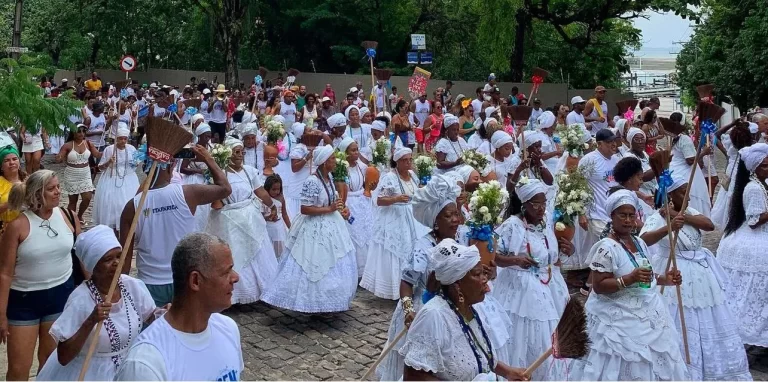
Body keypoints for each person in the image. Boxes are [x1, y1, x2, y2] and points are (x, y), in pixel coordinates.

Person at [639, 176, 752, 380]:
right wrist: (668, 226)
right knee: (677, 315)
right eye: (683, 192)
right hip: (673, 268)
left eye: (688, 192)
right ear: (670, 195)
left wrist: (679, 215)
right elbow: (644, 239)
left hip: (700, 274)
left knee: (707, 314)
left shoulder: (689, 212)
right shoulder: (658, 217)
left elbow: (708, 225)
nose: (688, 197)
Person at [569, 189, 688, 381]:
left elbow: (645, 273)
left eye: (631, 216)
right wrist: (629, 279)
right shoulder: (606, 248)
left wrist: (665, 279)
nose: (627, 220)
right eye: (622, 215)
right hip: (616, 319)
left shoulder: (639, 242)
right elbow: (598, 286)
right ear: (612, 216)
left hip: (648, 311)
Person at [36, 225, 161, 381]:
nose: (116, 263)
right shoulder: (81, 299)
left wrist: (164, 313)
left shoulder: (132, 286)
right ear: (93, 265)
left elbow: (151, 315)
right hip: (90, 373)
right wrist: (91, 320)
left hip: (128, 370)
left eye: (119, 256)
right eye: (108, 259)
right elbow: (63, 356)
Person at [115, 233, 244, 380]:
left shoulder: (228, 329)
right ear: (195, 281)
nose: (236, 277)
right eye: (226, 272)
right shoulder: (146, 364)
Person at [399, 239, 528, 381]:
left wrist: (508, 372)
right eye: (477, 274)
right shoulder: (433, 316)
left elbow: (481, 356)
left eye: (484, 273)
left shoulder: (471, 310)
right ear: (457, 285)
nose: (485, 279)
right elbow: (413, 377)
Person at [119, 145, 231, 307]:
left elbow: (124, 261)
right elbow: (225, 188)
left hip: (149, 283)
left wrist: (119, 294)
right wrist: (208, 159)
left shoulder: (132, 206)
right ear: (170, 166)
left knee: (152, 324)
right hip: (184, 280)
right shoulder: (188, 193)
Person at [376, 175, 461, 380]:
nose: (455, 220)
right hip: (423, 311)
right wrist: (408, 310)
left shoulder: (461, 240)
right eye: (449, 216)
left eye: (456, 214)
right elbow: (407, 282)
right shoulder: (423, 247)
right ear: (436, 222)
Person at [0, 170, 81, 380]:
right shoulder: (17, 226)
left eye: (58, 187)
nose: (58, 192)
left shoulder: (68, 216)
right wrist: (1, 314)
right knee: (19, 368)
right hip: (23, 301)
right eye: (51, 188)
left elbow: (82, 255)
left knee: (50, 363)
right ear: (37, 194)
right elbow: (5, 273)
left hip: (60, 297)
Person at [261, 145, 357, 312]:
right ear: (324, 162)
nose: (335, 162)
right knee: (312, 262)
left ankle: (330, 299)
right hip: (313, 226)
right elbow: (305, 209)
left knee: (334, 261)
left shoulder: (329, 178)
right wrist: (329, 209)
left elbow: (332, 200)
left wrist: (342, 209)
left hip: (332, 224)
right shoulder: (312, 181)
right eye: (332, 159)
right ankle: (312, 301)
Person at [494, 178, 571, 380]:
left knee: (553, 331)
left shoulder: (545, 224)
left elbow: (551, 256)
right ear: (524, 204)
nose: (541, 208)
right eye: (536, 204)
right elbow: (494, 256)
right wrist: (516, 260)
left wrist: (566, 251)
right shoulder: (512, 225)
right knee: (530, 334)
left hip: (550, 285)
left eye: (544, 203)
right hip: (521, 289)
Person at [718, 143, 768, 348]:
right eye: (764, 165)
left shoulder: (762, 184)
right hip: (755, 239)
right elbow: (754, 221)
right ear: (754, 167)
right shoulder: (753, 188)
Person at [361, 147, 423, 299]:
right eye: (404, 160)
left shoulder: (413, 175)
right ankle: (395, 287)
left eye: (410, 159)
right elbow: (380, 200)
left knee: (412, 248)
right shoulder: (390, 177)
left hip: (412, 217)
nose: (408, 163)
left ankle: (413, 284)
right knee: (397, 250)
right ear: (397, 162)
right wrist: (396, 199)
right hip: (395, 218)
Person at [338, 138, 374, 277]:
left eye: (357, 150)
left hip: (363, 203)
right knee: (353, 234)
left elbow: (368, 184)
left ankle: (368, 269)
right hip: (349, 203)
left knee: (366, 232)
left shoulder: (362, 167)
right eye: (353, 150)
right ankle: (354, 270)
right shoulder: (341, 169)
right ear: (345, 153)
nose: (356, 153)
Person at [92, 127, 139, 235]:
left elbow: (135, 163)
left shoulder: (131, 149)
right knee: (112, 205)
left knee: (126, 203)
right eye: (120, 138)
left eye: (125, 139)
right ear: (116, 138)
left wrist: (136, 162)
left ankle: (126, 228)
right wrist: (109, 162)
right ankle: (113, 231)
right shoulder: (109, 149)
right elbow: (100, 167)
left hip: (128, 179)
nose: (123, 141)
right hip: (111, 179)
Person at [711, 122, 754, 231]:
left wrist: (731, 124)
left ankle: (730, 219)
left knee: (729, 194)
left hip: (731, 168)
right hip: (742, 168)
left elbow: (716, 135)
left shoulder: (730, 141)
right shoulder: (751, 145)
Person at [57, 124, 102, 225]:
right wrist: (59, 157)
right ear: (73, 132)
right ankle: (71, 219)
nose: (81, 133)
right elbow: (59, 158)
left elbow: (97, 154)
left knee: (87, 198)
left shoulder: (88, 143)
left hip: (85, 174)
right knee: (73, 201)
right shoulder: (68, 145)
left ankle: (80, 215)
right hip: (71, 174)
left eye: (83, 131)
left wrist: (110, 150)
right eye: (79, 131)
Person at [669, 117, 712, 217]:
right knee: (690, 196)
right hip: (686, 174)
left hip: (674, 171)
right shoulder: (684, 138)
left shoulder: (670, 137)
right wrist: (704, 152)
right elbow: (690, 160)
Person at [181, 123, 215, 232]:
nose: (208, 139)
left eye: (209, 136)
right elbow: (182, 169)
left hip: (207, 182)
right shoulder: (190, 149)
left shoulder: (212, 149)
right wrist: (199, 171)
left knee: (206, 209)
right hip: (193, 181)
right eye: (206, 136)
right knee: (196, 209)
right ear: (199, 136)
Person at [285, 123, 314, 219]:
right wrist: (306, 158)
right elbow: (294, 168)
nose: (312, 132)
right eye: (309, 131)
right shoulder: (299, 148)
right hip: (299, 184)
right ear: (302, 134)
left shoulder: (310, 146)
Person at [623, 127, 658, 198]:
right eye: (636, 139)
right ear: (631, 141)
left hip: (651, 189)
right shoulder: (628, 157)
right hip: (639, 192)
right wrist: (659, 165)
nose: (640, 142)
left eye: (642, 139)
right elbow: (642, 177)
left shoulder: (644, 154)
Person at [263, 174, 290, 258]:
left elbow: (284, 214)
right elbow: (260, 215)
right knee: (268, 249)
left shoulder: (281, 198)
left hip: (278, 228)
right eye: (273, 189)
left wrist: (290, 228)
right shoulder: (264, 199)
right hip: (267, 227)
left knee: (279, 250)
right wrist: (268, 218)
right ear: (267, 188)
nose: (276, 192)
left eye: (278, 189)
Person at [0, 145, 25, 231]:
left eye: (14, 159)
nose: (11, 163)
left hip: (25, 227)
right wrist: (10, 203)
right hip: (4, 228)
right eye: (6, 160)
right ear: (1, 166)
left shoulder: (27, 181)